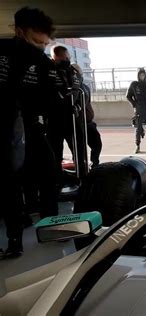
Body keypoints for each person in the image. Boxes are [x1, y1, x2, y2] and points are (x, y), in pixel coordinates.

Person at [0, 7, 58, 257]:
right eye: (36, 41)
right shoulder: (1, 52)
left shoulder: (44, 63)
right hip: (3, 129)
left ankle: (53, 227)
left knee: (49, 172)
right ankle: (15, 241)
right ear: (19, 32)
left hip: (32, 127)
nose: (40, 47)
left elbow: (50, 100)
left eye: (44, 44)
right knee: (8, 184)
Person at [48, 45, 88, 180]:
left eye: (69, 57)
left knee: (79, 148)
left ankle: (82, 177)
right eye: (65, 57)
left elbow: (82, 92)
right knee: (55, 151)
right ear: (56, 57)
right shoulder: (47, 71)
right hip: (55, 119)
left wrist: (78, 106)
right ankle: (57, 179)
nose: (68, 59)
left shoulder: (73, 72)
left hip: (73, 117)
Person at [71, 63, 102, 168]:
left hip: (88, 122)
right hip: (78, 124)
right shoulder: (72, 89)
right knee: (79, 149)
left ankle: (94, 165)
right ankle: (81, 169)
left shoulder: (85, 87)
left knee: (97, 144)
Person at [126, 68, 146, 153]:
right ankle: (137, 146)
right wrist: (134, 104)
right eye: (140, 75)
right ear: (138, 76)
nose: (142, 76)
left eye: (143, 75)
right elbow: (128, 96)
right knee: (138, 129)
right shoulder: (134, 85)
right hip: (139, 110)